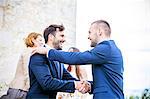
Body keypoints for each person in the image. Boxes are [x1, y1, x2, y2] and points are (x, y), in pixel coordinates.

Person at [32, 20, 124, 99]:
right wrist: (88, 86)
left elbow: (78, 57)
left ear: (99, 31)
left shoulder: (106, 48)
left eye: (90, 32)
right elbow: (105, 82)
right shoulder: (111, 49)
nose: (88, 36)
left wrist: (48, 51)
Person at [27, 24, 91, 99]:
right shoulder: (38, 55)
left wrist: (84, 84)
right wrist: (75, 85)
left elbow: (67, 77)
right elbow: (47, 83)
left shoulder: (56, 57)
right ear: (51, 37)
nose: (64, 40)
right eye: (61, 36)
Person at [0, 32, 44, 99]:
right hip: (19, 89)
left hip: (21, 89)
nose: (42, 43)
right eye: (40, 40)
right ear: (33, 40)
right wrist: (30, 88)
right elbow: (27, 70)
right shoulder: (29, 51)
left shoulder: (32, 52)